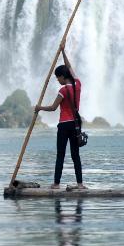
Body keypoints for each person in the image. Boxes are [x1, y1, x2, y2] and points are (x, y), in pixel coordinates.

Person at [34, 48, 86, 190]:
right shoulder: (78, 85)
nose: (57, 80)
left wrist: (39, 108)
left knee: (60, 155)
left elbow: (53, 108)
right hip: (76, 125)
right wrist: (63, 52)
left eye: (58, 77)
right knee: (76, 155)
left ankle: (56, 184)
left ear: (63, 76)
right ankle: (80, 184)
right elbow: (69, 67)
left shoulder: (63, 91)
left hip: (64, 125)